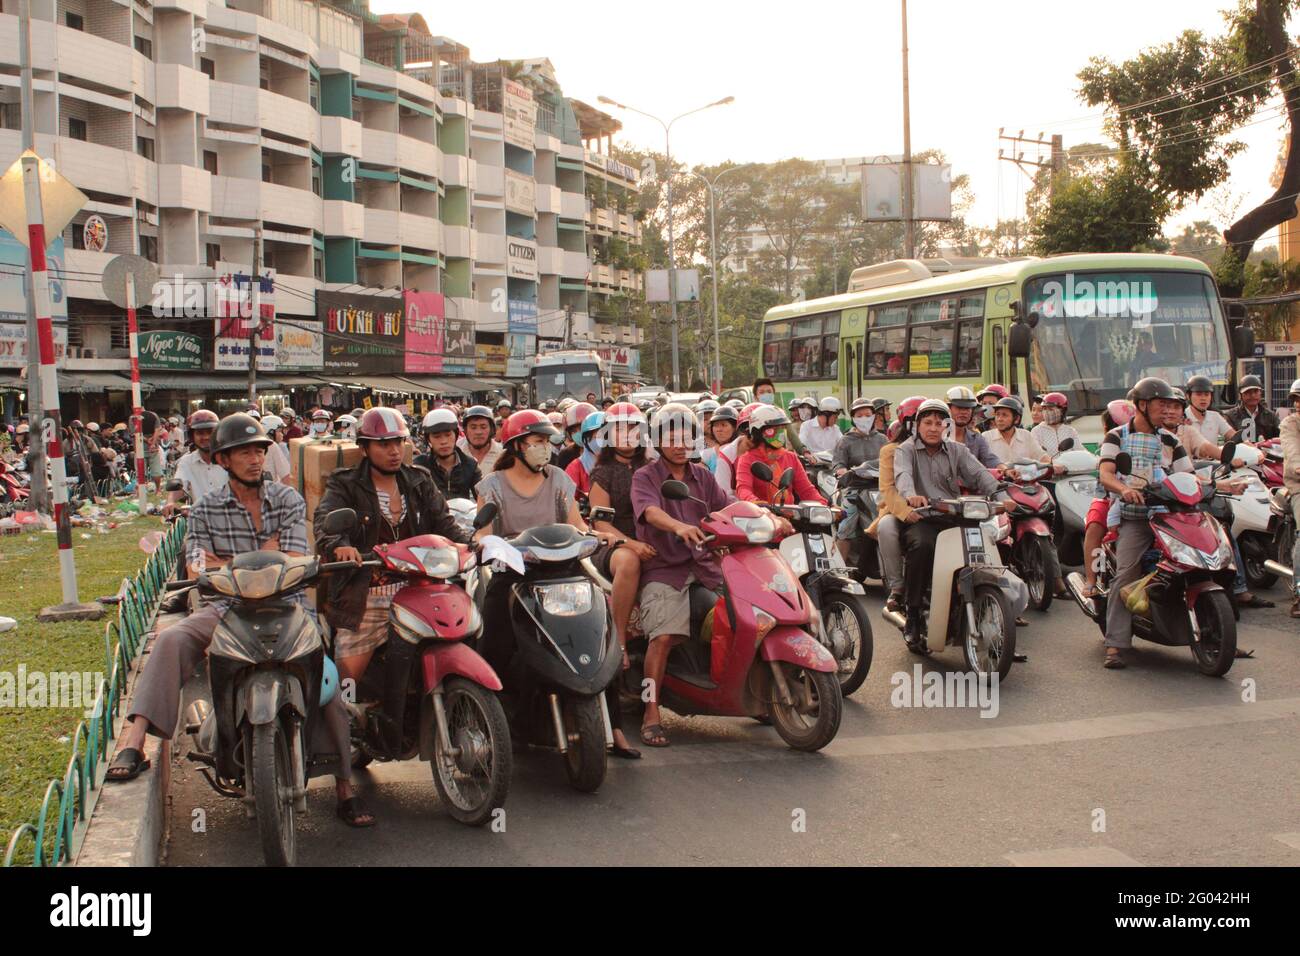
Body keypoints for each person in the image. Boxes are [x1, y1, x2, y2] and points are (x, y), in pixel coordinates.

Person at [107, 414, 373, 825]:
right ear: (224, 459)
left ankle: (343, 787)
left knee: (328, 684)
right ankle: (136, 741)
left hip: (288, 609)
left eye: (259, 450)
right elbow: (197, 563)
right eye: (244, 451)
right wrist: (260, 558)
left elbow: (295, 555)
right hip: (224, 610)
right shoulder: (206, 509)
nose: (255, 458)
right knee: (171, 640)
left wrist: (230, 565)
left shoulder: (289, 501)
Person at [315, 407, 470, 732]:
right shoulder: (345, 484)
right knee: (348, 679)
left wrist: (472, 544)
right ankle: (342, 731)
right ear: (365, 448)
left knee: (467, 633)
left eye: (398, 442)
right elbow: (325, 522)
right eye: (383, 444)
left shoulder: (419, 480)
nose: (394, 450)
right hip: (367, 591)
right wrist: (339, 544)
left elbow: (445, 523)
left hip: (422, 587)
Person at [630, 404, 732, 747]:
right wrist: (679, 526)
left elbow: (726, 506)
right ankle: (651, 712)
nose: (678, 443)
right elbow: (650, 511)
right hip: (665, 569)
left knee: (745, 616)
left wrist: (764, 515)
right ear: (657, 441)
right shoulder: (645, 476)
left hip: (705, 565)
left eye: (684, 436)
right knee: (661, 638)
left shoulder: (702, 475)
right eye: (670, 437)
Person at [893, 399, 1013, 652]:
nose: (934, 428)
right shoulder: (906, 449)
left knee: (990, 544)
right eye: (928, 423)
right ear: (917, 426)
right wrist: (911, 495)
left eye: (939, 423)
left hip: (953, 515)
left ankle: (1000, 615)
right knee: (922, 546)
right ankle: (913, 612)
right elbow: (902, 476)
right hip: (924, 517)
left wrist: (1003, 498)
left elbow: (980, 474)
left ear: (947, 426)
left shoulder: (957, 450)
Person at [1097, 377, 1195, 669]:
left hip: (1169, 516)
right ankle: (1115, 644)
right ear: (1142, 405)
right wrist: (1124, 489)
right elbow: (1106, 473)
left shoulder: (1170, 439)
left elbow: (1187, 474)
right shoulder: (1117, 436)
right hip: (1135, 517)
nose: (1167, 410)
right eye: (1160, 404)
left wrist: (1223, 485)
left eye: (1169, 404)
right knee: (1126, 574)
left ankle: (1217, 633)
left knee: (1202, 563)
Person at [587, 403, 655, 759]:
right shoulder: (604, 473)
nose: (626, 435)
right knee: (628, 561)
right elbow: (599, 524)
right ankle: (621, 643)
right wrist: (630, 542)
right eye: (620, 429)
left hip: (657, 542)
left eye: (633, 428)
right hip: (614, 545)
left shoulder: (653, 467)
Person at [863, 396, 926, 610]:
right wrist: (906, 511)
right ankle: (897, 586)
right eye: (923, 421)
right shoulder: (890, 450)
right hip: (898, 509)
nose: (929, 428)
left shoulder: (945, 447)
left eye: (935, 422)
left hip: (936, 509)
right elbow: (888, 490)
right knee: (886, 527)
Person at [736, 406, 826, 505]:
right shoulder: (747, 459)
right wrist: (755, 502)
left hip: (789, 515)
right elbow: (743, 489)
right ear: (758, 431)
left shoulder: (790, 457)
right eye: (775, 428)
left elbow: (806, 490)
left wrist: (825, 506)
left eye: (782, 428)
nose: (781, 432)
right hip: (760, 516)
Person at [984, 396, 1063, 473]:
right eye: (997, 414)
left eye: (1004, 415)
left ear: (1017, 419)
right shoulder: (986, 437)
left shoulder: (1026, 435)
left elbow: (1041, 456)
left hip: (1026, 483)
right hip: (998, 484)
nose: (999, 419)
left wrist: (1053, 466)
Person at [166, 410, 224, 513]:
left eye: (210, 432)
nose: (206, 437)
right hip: (200, 521)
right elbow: (180, 485)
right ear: (192, 437)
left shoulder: (230, 459)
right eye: (200, 433)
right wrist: (170, 502)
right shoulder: (187, 462)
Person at [415, 408, 480, 499]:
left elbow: (483, 498)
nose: (443, 441)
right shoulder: (419, 466)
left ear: (456, 435)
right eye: (437, 437)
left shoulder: (470, 465)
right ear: (428, 439)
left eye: (448, 435)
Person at [1279, 378, 1300, 617]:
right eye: (1298, 400)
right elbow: (1293, 453)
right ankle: (1299, 593)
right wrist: (1297, 466)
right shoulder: (1290, 424)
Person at [944, 385, 1002, 467]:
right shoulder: (938, 436)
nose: (963, 412)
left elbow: (990, 459)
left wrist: (1004, 469)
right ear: (948, 409)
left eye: (967, 408)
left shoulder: (977, 438)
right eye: (959, 407)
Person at [713, 402, 761, 492]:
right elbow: (724, 494)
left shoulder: (779, 453)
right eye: (748, 429)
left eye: (759, 430)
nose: (753, 436)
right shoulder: (726, 456)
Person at [1183, 375, 1236, 446]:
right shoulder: (1181, 417)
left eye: (1207, 394)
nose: (1203, 398)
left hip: (1214, 456)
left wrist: (1252, 447)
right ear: (1188, 396)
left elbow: (1233, 435)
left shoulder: (1215, 416)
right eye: (1198, 394)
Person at [1224, 374, 1279, 442]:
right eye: (1247, 392)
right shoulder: (1230, 416)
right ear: (1241, 395)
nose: (1252, 395)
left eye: (1255, 391)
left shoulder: (1271, 416)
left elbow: (1280, 438)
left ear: (1260, 393)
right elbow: (1230, 442)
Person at [564, 410, 605, 496]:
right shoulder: (576, 467)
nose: (599, 441)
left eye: (604, 436)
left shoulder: (624, 462)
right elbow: (566, 500)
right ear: (585, 441)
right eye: (593, 438)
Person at [1030, 392, 1079, 457]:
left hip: (1069, 466)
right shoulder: (1037, 431)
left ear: (1062, 411)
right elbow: (1035, 455)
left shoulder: (1070, 431)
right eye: (1044, 409)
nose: (1046, 412)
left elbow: (1080, 451)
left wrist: (1095, 461)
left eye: (1050, 409)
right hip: (1048, 466)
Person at [457, 404, 503, 474]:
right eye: (473, 427)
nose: (478, 432)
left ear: (491, 429)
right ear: (465, 430)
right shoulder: (456, 451)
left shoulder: (502, 454)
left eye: (483, 427)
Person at [557, 401, 597, 470]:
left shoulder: (607, 450)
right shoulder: (565, 454)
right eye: (573, 431)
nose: (579, 433)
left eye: (581, 428)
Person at [701, 404, 737, 474]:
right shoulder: (706, 455)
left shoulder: (743, 451)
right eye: (716, 425)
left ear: (734, 427)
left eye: (723, 425)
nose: (719, 429)